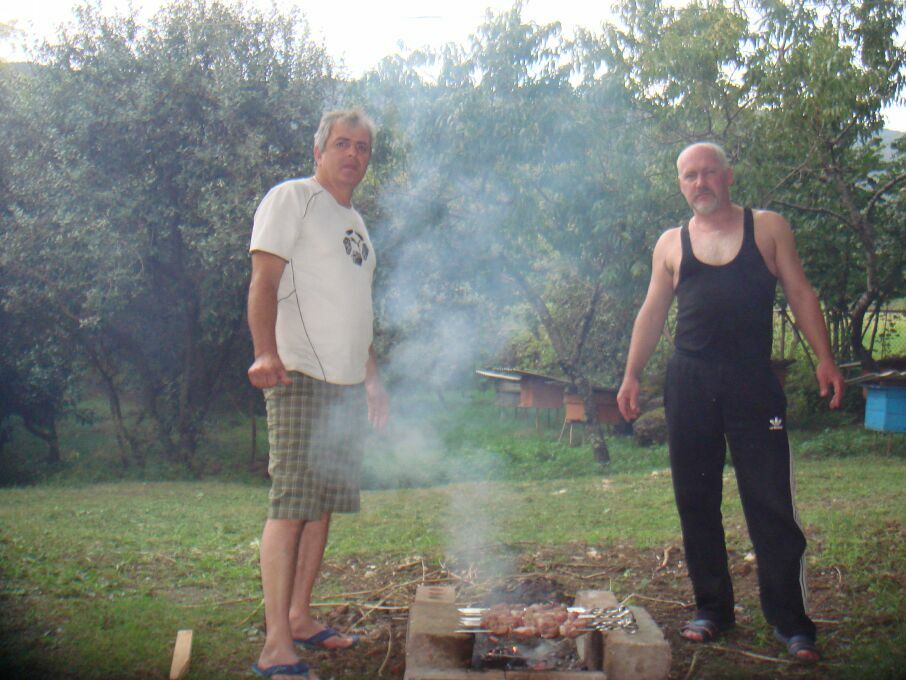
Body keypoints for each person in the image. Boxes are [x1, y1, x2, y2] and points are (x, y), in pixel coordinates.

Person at [616, 142, 844, 663]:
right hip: (689, 381)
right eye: (690, 176)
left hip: (751, 381)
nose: (701, 183)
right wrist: (631, 374)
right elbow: (652, 311)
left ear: (728, 176)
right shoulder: (671, 243)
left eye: (709, 172)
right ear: (681, 184)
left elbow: (801, 293)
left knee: (770, 501)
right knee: (696, 500)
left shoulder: (767, 228)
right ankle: (712, 609)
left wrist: (825, 359)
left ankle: (792, 622)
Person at [246, 108, 390, 680]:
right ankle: (275, 645)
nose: (352, 154)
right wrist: (264, 351)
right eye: (342, 144)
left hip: (346, 384)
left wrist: (372, 379)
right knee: (291, 506)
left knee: (322, 503)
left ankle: (301, 616)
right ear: (319, 151)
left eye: (362, 147)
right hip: (300, 373)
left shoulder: (355, 221)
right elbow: (264, 279)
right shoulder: (293, 199)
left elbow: (357, 309)